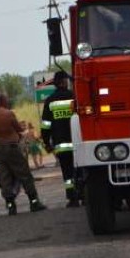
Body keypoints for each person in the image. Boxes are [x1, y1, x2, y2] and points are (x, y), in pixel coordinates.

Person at [0, 92, 47, 215]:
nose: (7, 100)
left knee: (5, 177)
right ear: (2, 101)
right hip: (12, 147)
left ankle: (10, 206)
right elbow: (18, 129)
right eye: (6, 99)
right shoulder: (8, 114)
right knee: (24, 174)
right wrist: (21, 130)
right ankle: (34, 202)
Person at [41, 70, 80, 207]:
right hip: (77, 144)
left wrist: (46, 143)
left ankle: (72, 198)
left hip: (61, 145)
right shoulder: (74, 97)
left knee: (67, 173)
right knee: (80, 170)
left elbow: (45, 125)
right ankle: (84, 195)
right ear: (64, 81)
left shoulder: (50, 101)